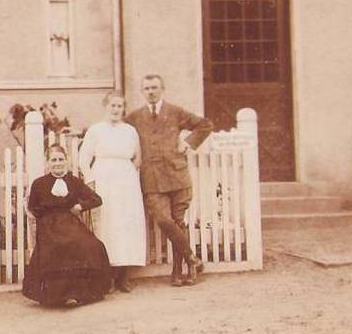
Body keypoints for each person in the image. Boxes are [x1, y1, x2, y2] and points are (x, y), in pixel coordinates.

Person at [125, 74, 214, 287]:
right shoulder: (135, 117)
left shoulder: (175, 112)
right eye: (146, 88)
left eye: (154, 87)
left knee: (178, 222)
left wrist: (189, 143)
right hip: (152, 179)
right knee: (165, 220)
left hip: (177, 176)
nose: (151, 92)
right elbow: (119, 131)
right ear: (142, 92)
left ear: (162, 89)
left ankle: (178, 272)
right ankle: (192, 258)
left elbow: (205, 125)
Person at [22, 145, 111, 307]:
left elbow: (96, 199)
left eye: (61, 159)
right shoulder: (39, 183)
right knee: (59, 245)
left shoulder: (74, 182)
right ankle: (57, 296)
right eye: (53, 160)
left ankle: (80, 294)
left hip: (71, 222)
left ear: (67, 161)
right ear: (48, 163)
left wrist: (80, 206)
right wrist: (47, 215)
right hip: (49, 225)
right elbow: (33, 207)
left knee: (91, 245)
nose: (57, 163)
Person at [78, 91, 147, 292]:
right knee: (107, 224)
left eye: (119, 106)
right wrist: (91, 182)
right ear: (105, 106)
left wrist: (129, 177)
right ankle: (106, 276)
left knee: (126, 224)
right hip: (104, 179)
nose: (116, 110)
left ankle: (124, 276)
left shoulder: (130, 131)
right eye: (112, 105)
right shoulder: (96, 130)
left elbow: (137, 158)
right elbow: (84, 158)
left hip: (126, 181)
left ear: (123, 109)